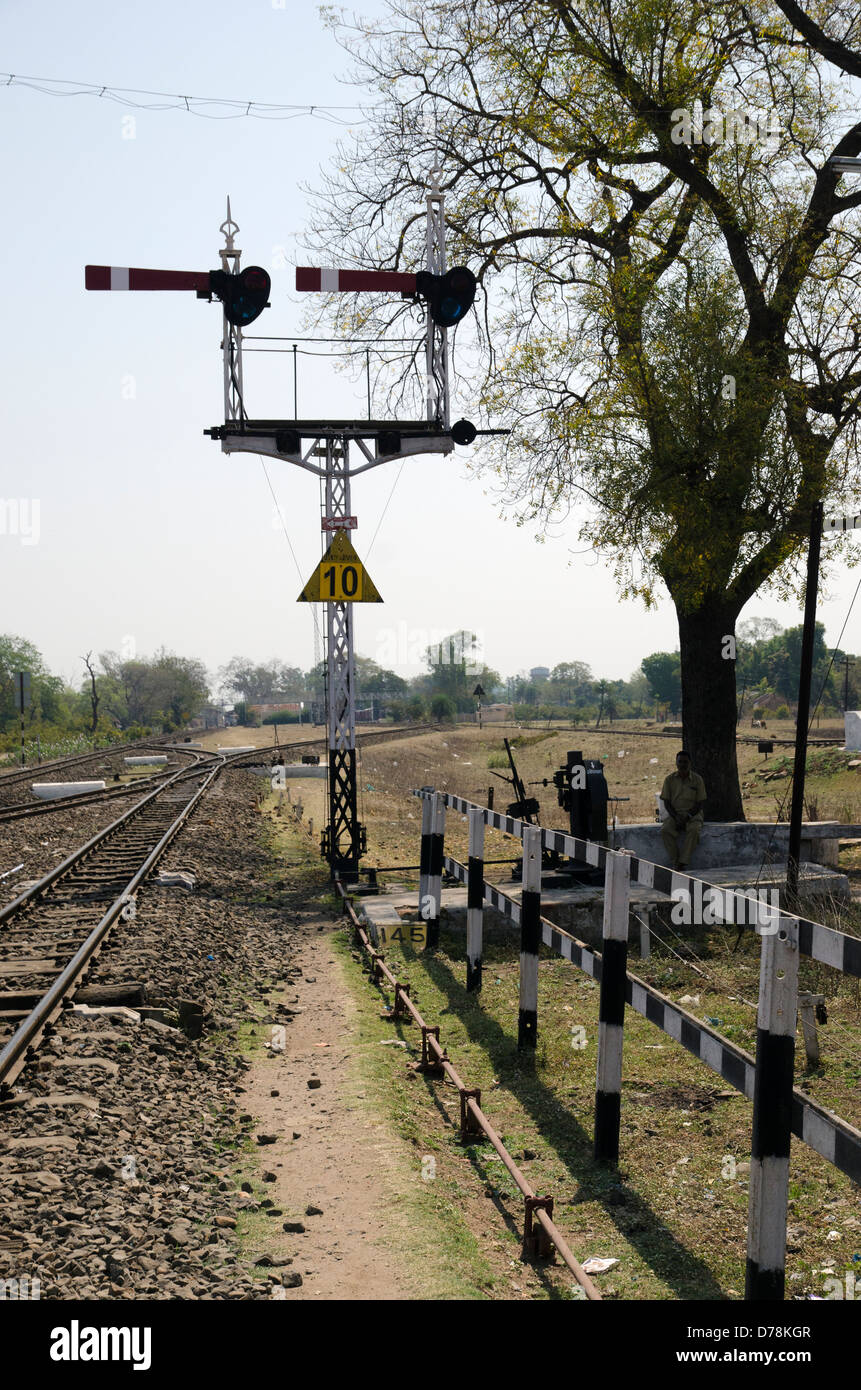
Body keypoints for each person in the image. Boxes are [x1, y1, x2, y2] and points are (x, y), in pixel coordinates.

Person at [660, 751, 706, 870]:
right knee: (665, 830)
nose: (682, 764)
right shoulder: (669, 780)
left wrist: (688, 816)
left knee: (694, 831)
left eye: (685, 762)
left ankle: (682, 862)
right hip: (675, 814)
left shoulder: (697, 779)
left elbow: (700, 802)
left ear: (690, 763)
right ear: (676, 763)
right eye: (680, 761)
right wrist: (676, 817)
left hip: (693, 816)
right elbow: (666, 802)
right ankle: (675, 861)